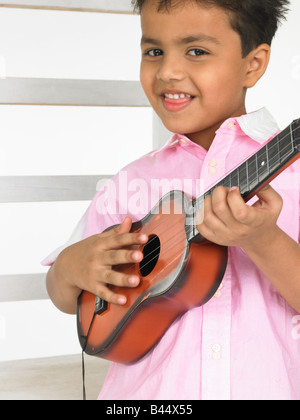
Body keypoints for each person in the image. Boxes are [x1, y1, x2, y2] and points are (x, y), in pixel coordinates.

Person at [43, 0, 300, 400]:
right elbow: (73, 298)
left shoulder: (294, 176)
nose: (167, 72)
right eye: (154, 52)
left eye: (196, 51)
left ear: (253, 63)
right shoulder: (131, 180)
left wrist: (264, 241)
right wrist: (67, 270)